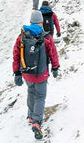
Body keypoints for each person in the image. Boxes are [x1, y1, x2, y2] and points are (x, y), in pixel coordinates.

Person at [13, 11, 60, 139]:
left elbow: (16, 55)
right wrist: (55, 67)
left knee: (31, 91)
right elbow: (53, 54)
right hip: (41, 74)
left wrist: (17, 73)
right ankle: (37, 122)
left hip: (27, 73)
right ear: (40, 22)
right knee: (40, 96)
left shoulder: (22, 36)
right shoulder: (46, 37)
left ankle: (31, 115)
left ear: (31, 22)